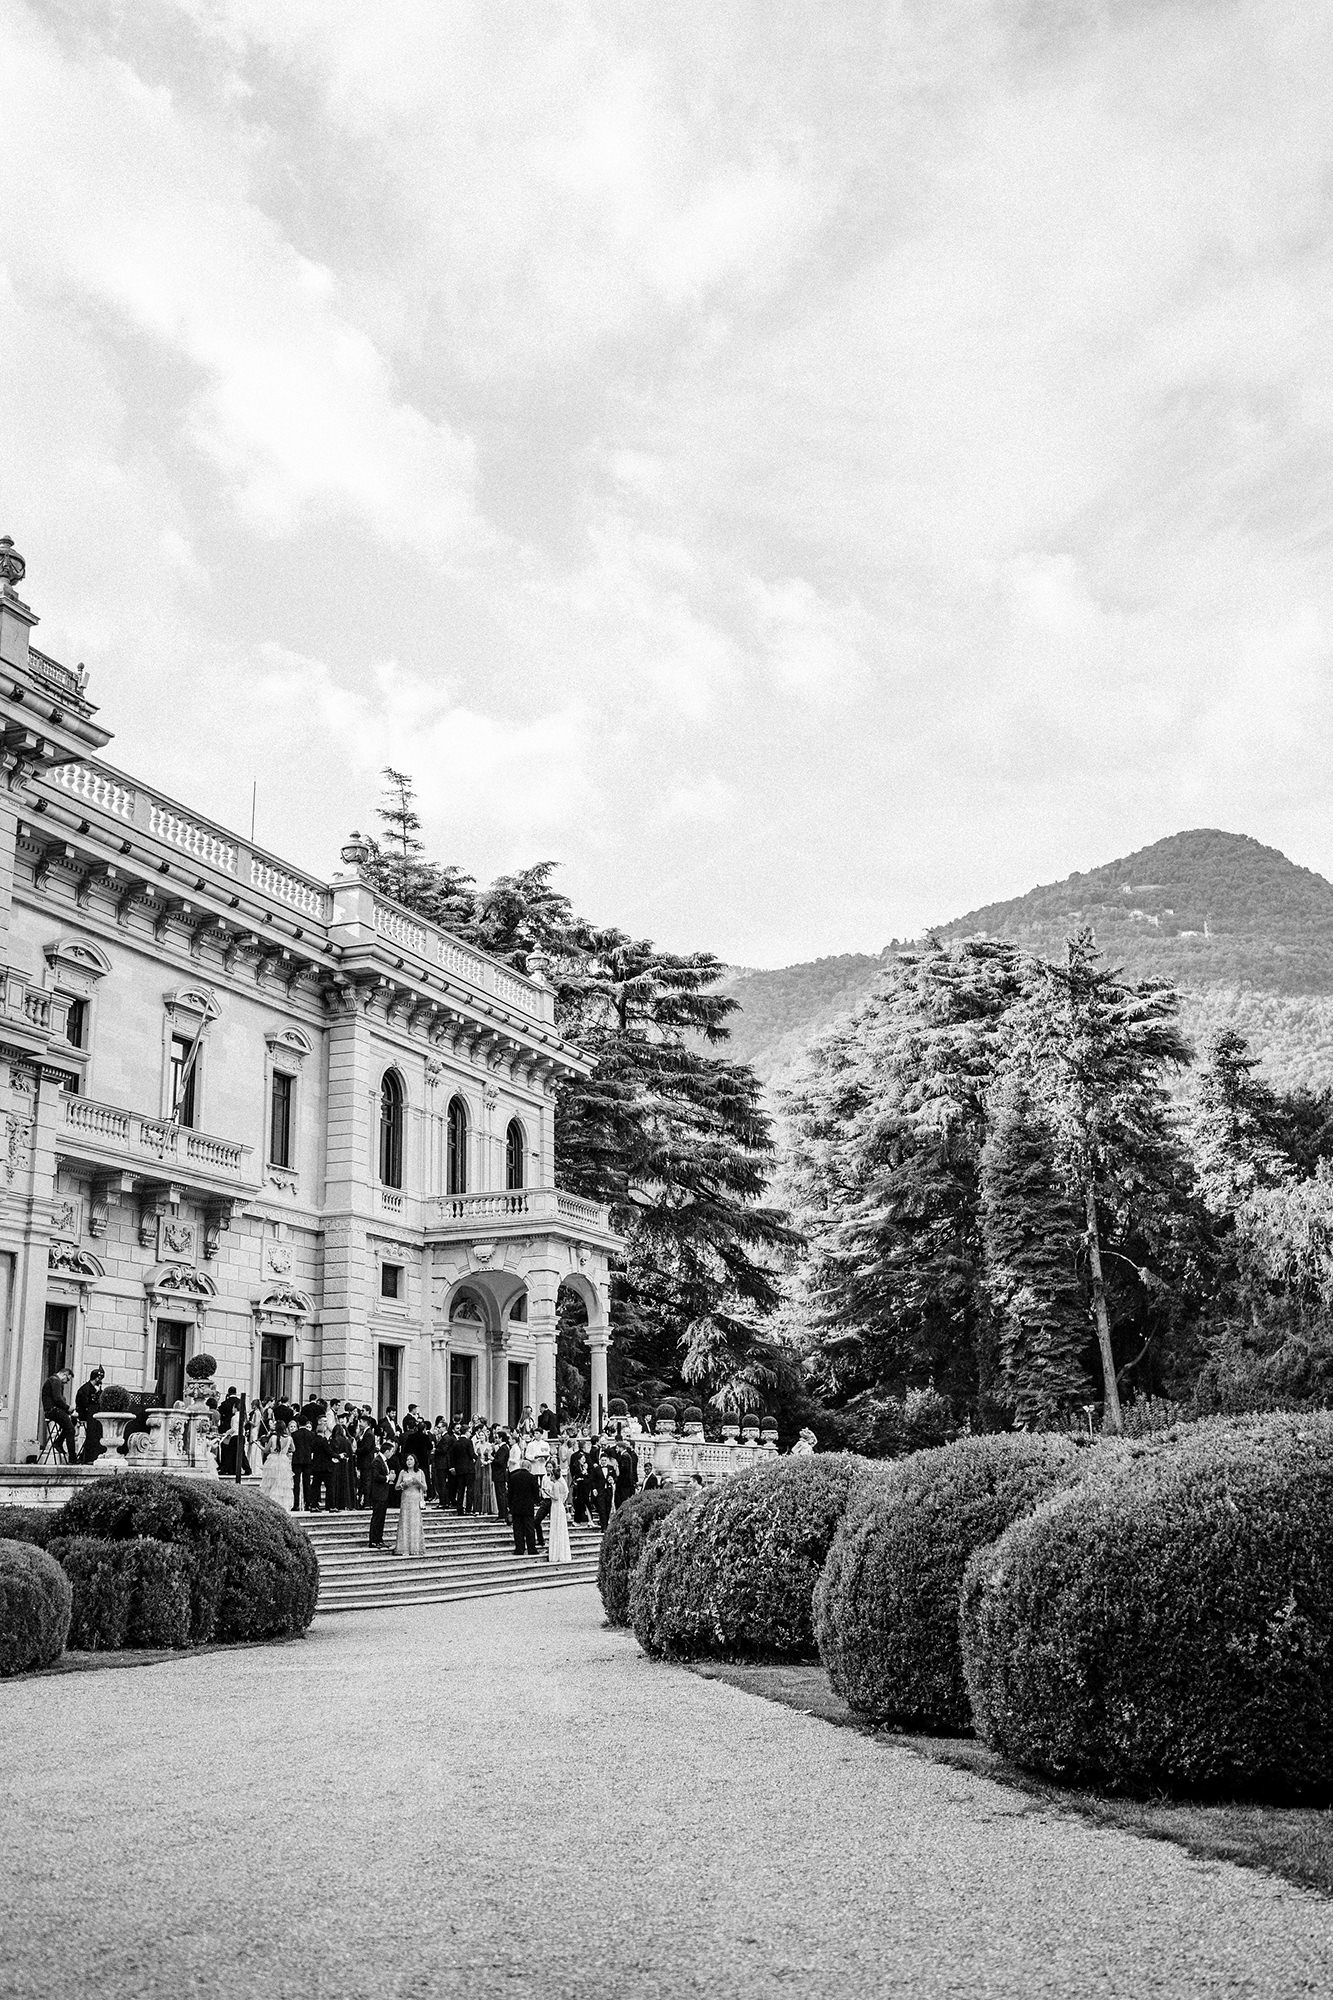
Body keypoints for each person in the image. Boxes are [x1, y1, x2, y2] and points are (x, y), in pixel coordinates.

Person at [41, 1368, 78, 1463]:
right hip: (53, 1410)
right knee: (71, 1429)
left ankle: (58, 1442)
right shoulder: (55, 1381)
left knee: (72, 1422)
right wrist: (67, 1408)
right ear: (64, 1374)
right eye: (67, 1379)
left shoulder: (53, 1380)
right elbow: (57, 1399)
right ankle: (72, 1458)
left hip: (52, 1410)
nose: (66, 1382)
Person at [507, 1456, 540, 1557]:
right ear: (529, 1467)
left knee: (518, 1529)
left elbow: (509, 1494)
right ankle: (531, 1549)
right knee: (529, 1528)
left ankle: (519, 1549)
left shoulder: (513, 1477)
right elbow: (536, 1493)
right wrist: (535, 1501)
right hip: (528, 1507)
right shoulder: (532, 1477)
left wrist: (510, 1506)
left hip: (516, 1507)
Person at [395, 1453, 426, 1556]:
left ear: (415, 1461)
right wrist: (403, 1485)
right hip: (405, 1499)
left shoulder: (420, 1472)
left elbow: (425, 1487)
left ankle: (415, 1547)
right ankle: (403, 1548)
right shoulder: (403, 1472)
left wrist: (417, 1482)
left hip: (415, 1499)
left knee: (415, 1522)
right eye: (407, 1459)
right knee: (405, 1521)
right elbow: (396, 1487)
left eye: (411, 1459)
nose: (409, 1461)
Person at [259, 1426, 294, 1511]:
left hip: (273, 1459)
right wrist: (286, 1450)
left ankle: (271, 1502)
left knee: (270, 1482)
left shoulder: (273, 1437)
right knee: (282, 1483)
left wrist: (257, 1444)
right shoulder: (289, 1438)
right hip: (284, 1460)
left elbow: (265, 1450)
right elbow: (293, 1449)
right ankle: (282, 1504)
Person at [545, 1458, 572, 1566]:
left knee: (556, 1527)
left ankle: (556, 1553)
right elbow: (563, 1495)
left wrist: (547, 1493)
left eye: (551, 1475)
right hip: (560, 1506)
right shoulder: (560, 1484)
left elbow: (556, 1497)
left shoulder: (556, 1485)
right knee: (560, 1528)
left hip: (556, 1506)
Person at [75, 1366, 105, 1463]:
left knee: (97, 1432)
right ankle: (88, 1457)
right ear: (96, 1378)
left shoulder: (94, 1389)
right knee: (92, 1433)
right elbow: (84, 1404)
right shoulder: (85, 1389)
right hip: (86, 1415)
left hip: (93, 1415)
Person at [368, 1441, 394, 1548]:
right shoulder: (377, 1461)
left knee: (381, 1518)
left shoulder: (383, 1461)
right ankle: (373, 1540)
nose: (392, 1453)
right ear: (387, 1451)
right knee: (377, 1517)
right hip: (378, 1494)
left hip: (383, 1493)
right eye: (391, 1451)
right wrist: (388, 1478)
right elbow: (376, 1476)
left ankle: (379, 1539)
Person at [450, 1424, 476, 1516]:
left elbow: (453, 1456)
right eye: (469, 1432)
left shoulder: (456, 1443)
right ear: (466, 1432)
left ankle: (459, 1508)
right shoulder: (468, 1442)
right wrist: (477, 1457)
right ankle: (468, 1508)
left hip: (459, 1469)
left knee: (460, 1489)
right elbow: (471, 1454)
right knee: (470, 1489)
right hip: (469, 1469)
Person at [291, 1417, 315, 1511]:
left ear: (298, 1423)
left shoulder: (294, 1434)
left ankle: (296, 1504)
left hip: (297, 1460)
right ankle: (308, 1503)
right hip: (308, 1460)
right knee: (307, 1482)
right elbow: (312, 1447)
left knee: (296, 1483)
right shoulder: (311, 1434)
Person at [569, 1440, 591, 1523]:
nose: (584, 1460)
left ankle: (588, 1519)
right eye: (582, 1459)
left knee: (585, 1502)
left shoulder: (576, 1456)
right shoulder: (576, 1463)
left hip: (584, 1485)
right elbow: (574, 1471)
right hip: (579, 1486)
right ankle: (578, 1519)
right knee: (579, 1502)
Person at [492, 1430, 511, 1523]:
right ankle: (502, 1513)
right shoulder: (503, 1448)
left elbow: (500, 1461)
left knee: (500, 1495)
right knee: (500, 1494)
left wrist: (492, 1459)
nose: (496, 1439)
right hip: (499, 1474)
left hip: (500, 1474)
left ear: (501, 1438)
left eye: (497, 1438)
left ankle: (502, 1514)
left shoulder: (503, 1448)